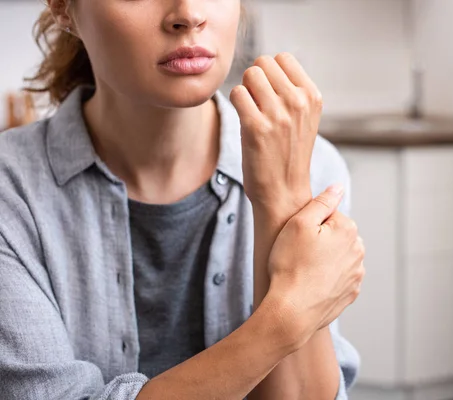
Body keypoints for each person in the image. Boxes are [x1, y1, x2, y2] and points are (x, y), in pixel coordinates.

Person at [0, 1, 365, 399]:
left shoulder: (309, 164)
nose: (188, 14)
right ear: (63, 8)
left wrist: (283, 197)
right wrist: (287, 319)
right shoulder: (12, 190)